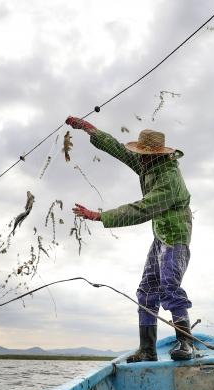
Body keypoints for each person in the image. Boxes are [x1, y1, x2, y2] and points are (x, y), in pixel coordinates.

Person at [65, 116, 195, 362]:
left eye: (145, 155)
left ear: (158, 154)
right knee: (146, 290)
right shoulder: (148, 164)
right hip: (160, 236)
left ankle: (185, 342)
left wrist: (99, 216)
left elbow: (142, 209)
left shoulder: (169, 179)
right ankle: (147, 350)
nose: (140, 158)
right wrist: (89, 129)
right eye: (140, 154)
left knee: (169, 285)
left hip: (176, 235)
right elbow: (116, 148)